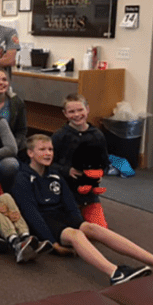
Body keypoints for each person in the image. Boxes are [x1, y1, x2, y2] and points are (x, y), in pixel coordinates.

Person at [12, 134, 153, 285]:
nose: (48, 153)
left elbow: (69, 204)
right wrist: (52, 243)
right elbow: (31, 213)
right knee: (76, 235)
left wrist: (81, 223)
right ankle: (114, 273)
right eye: (42, 149)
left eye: (50, 149)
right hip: (45, 221)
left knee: (93, 227)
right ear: (30, 153)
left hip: (61, 215)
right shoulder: (22, 178)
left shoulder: (55, 175)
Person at [52, 94, 109, 227]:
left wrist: (100, 173)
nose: (77, 115)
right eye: (71, 111)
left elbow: (105, 162)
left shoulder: (97, 135)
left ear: (87, 109)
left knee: (100, 229)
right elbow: (48, 164)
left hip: (89, 195)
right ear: (65, 113)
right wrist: (67, 171)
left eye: (80, 110)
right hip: (64, 192)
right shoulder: (59, 136)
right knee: (69, 228)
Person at [0, 68, 28, 160]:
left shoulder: (17, 103)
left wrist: (13, 146)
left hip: (7, 149)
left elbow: (21, 130)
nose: (1, 83)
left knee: (10, 165)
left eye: (4, 80)